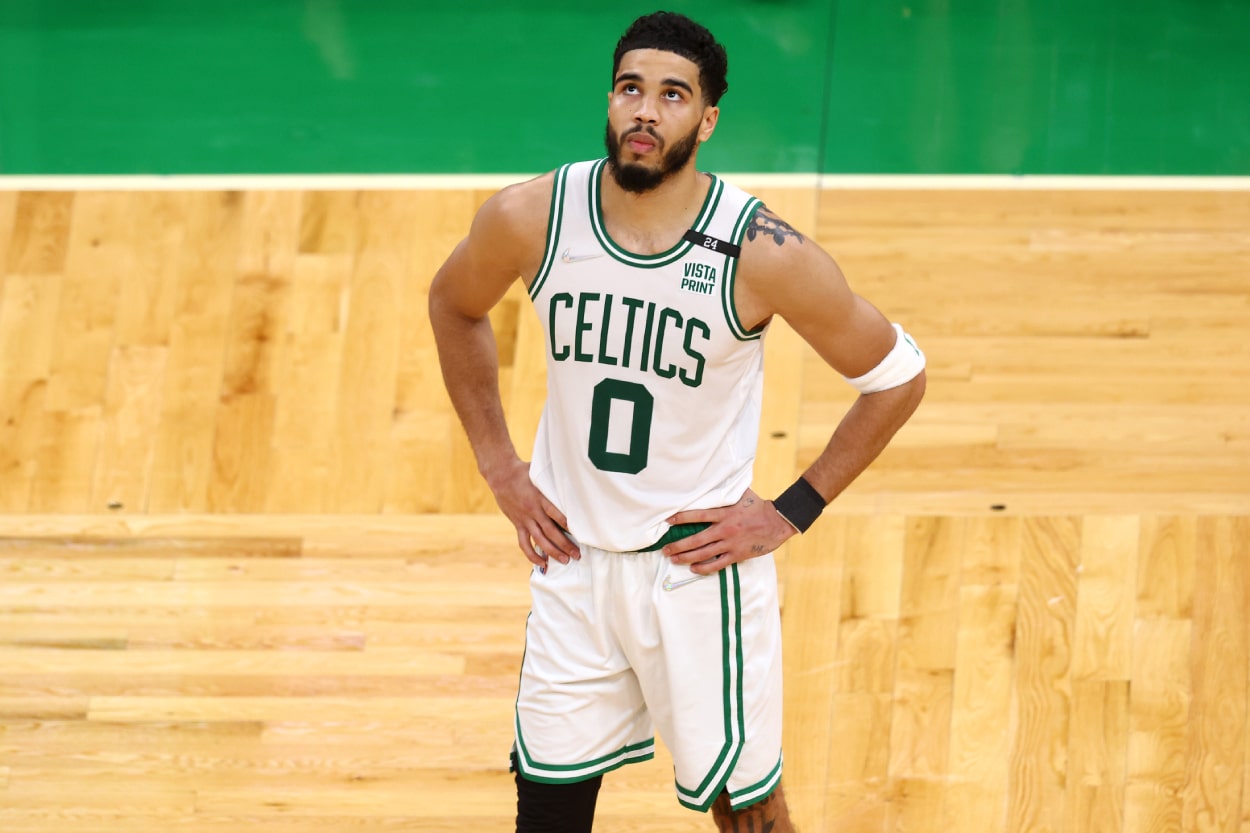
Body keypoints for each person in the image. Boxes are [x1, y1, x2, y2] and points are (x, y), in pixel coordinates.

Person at [428, 11, 926, 832]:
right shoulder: (533, 217)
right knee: (545, 811)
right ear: (612, 98)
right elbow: (453, 305)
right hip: (573, 565)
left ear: (708, 118)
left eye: (672, 94)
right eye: (631, 89)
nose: (646, 112)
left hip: (695, 576)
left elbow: (897, 377)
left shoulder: (760, 251)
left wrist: (790, 510)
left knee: (746, 814)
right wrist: (498, 464)